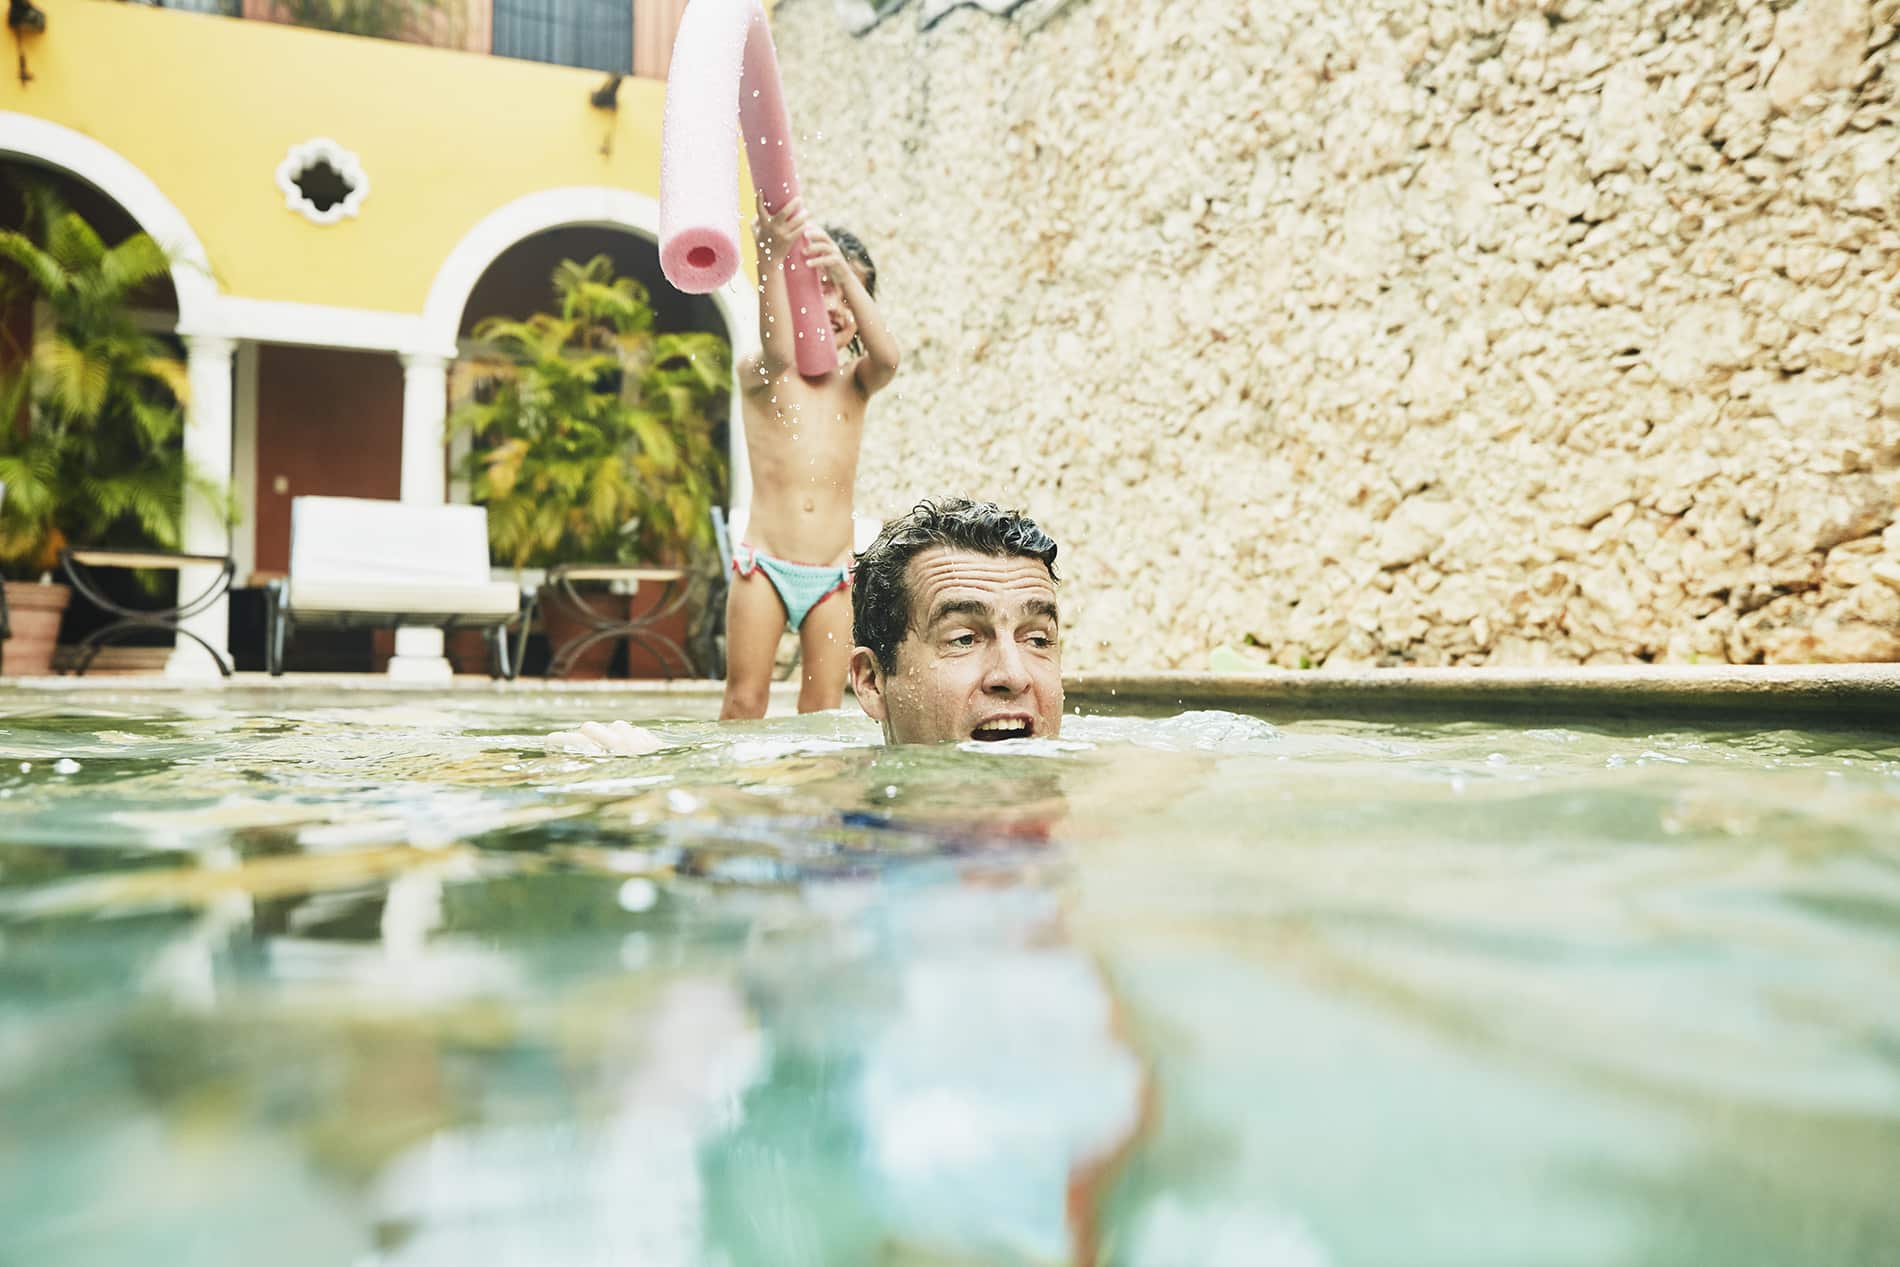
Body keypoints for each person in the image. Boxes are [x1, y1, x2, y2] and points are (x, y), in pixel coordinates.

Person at [549, 497, 1062, 753]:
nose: (1013, 676)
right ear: (870, 682)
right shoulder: (832, 821)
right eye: (964, 638)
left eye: (1037, 639)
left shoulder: (1119, 795)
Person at [720, 193, 899, 720]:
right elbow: (778, 346)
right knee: (744, 699)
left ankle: (810, 799)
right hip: (765, 568)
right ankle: (736, 800)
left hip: (833, 575)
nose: (838, 305)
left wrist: (841, 271)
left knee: (821, 709)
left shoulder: (856, 383)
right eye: (821, 290)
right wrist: (771, 258)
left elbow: (888, 356)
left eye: (850, 292)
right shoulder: (765, 375)